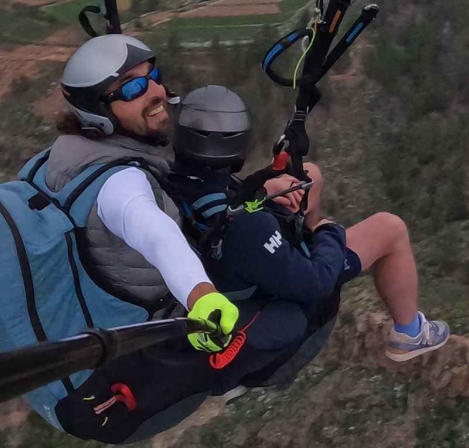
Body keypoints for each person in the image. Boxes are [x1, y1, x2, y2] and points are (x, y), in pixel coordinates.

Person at [168, 85, 450, 362]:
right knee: (391, 228)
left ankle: (308, 233)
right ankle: (411, 334)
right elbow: (316, 284)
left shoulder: (177, 181)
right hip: (270, 287)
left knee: (308, 176)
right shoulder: (249, 228)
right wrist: (328, 231)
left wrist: (263, 190)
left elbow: (223, 202)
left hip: (230, 256)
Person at [48, 34, 239, 351]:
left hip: (117, 308)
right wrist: (202, 296)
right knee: (289, 319)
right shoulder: (118, 183)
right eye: (132, 87)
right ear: (97, 110)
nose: (157, 91)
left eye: (154, 76)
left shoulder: (70, 150)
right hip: (149, 342)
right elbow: (154, 231)